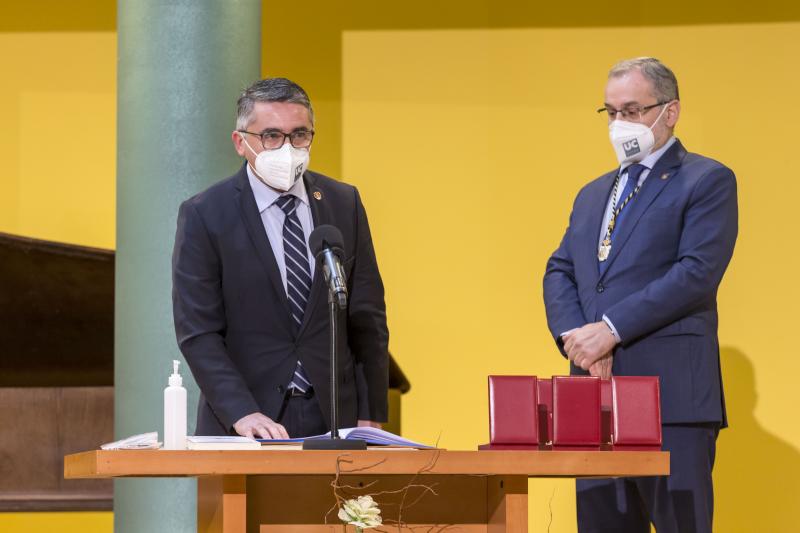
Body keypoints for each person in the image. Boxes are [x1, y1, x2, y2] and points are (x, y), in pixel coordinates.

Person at [543, 57, 738, 533]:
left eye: (631, 110)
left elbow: (695, 273)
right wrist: (581, 339)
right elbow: (560, 268)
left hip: (671, 398)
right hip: (594, 397)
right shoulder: (592, 193)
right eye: (610, 112)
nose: (619, 124)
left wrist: (610, 330)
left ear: (669, 111)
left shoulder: (706, 179)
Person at [172, 78, 389, 439]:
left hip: (335, 420)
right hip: (245, 423)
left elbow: (368, 318)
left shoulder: (342, 203)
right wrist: (242, 413)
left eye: (299, 135)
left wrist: (370, 413)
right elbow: (199, 332)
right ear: (241, 143)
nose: (287, 148)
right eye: (271, 136)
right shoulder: (206, 213)